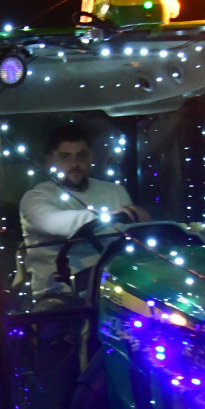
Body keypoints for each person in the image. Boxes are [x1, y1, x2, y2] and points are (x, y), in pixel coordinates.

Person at [19, 123, 147, 297]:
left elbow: (129, 238)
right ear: (50, 161)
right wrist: (110, 216)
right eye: (65, 157)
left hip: (112, 291)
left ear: (91, 158)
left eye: (81, 155)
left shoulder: (114, 192)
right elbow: (55, 223)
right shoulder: (36, 197)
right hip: (58, 294)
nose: (75, 163)